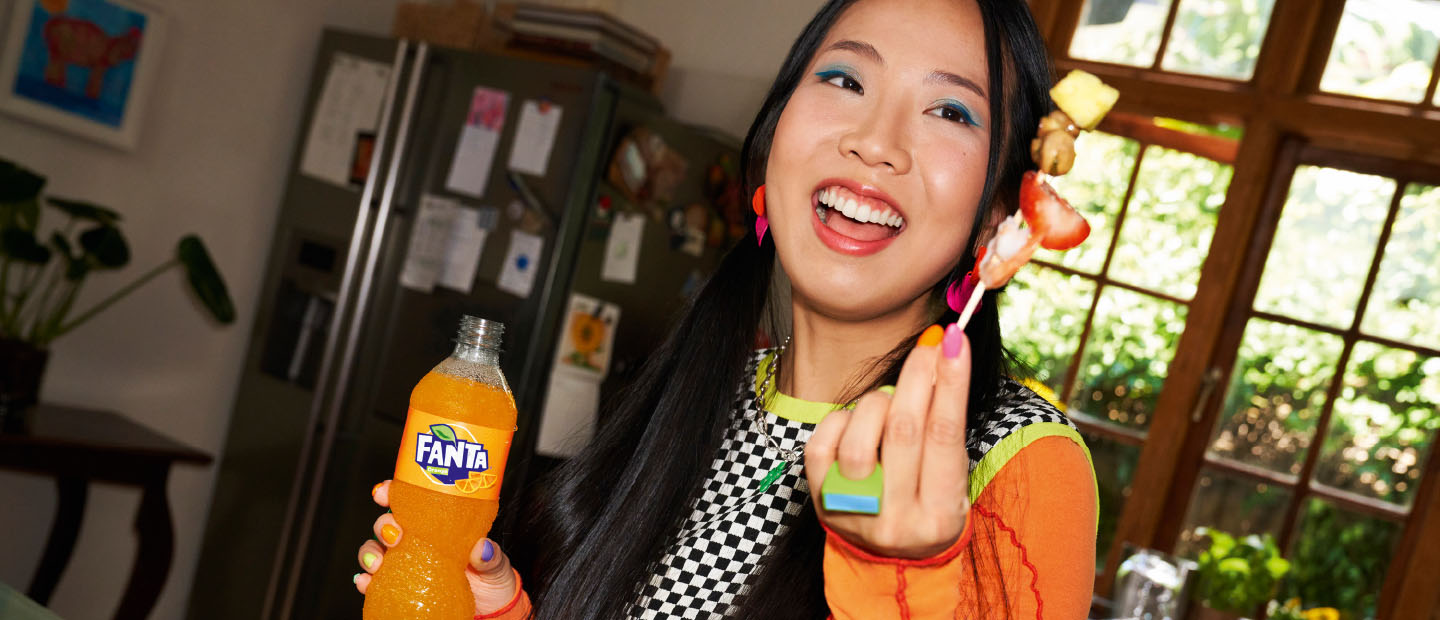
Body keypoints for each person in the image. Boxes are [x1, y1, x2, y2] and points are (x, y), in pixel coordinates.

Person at [355, 0, 1098, 617]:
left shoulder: (1020, 463)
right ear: (775, 144)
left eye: (950, 111)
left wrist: (897, 577)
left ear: (1002, 209)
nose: (876, 143)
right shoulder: (712, 392)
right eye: (845, 79)